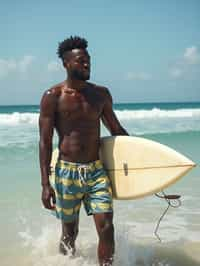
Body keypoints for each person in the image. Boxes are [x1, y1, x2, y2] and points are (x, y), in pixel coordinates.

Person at [39, 36, 128, 266]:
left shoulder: (101, 94)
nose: (87, 64)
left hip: (96, 171)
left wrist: (138, 156)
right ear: (66, 64)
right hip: (66, 173)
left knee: (106, 227)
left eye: (88, 60)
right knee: (70, 233)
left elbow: (115, 128)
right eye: (81, 61)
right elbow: (45, 142)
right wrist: (45, 185)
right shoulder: (53, 97)